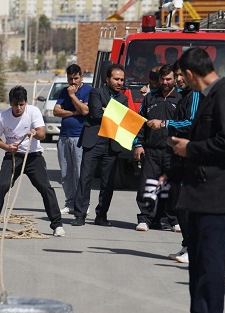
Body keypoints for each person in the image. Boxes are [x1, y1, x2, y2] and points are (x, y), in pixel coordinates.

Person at [163, 47, 225, 313]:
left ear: (192, 74)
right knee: (197, 263)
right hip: (199, 193)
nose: (182, 81)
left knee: (209, 265)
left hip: (215, 196)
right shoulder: (211, 98)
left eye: (183, 76)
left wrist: (190, 149)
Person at [0, 86, 65, 237]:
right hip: (13, 156)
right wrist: (7, 147)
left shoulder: (33, 111)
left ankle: (57, 224)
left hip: (33, 156)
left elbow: (42, 132)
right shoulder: (2, 117)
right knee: (2, 185)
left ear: (26, 102)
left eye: (21, 104)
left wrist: (35, 132)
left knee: (45, 187)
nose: (19, 108)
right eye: (16, 104)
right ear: (10, 103)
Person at [147, 61, 201, 263]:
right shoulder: (184, 95)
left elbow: (191, 122)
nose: (178, 79)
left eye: (181, 75)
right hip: (177, 154)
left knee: (185, 205)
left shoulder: (194, 94)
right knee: (178, 204)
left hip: (191, 157)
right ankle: (187, 245)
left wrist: (164, 123)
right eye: (176, 75)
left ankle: (193, 247)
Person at [72, 64, 129, 227]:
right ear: (107, 79)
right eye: (116, 79)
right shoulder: (96, 92)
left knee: (108, 183)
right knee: (85, 179)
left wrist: (107, 111)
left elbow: (122, 120)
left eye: (122, 80)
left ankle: (101, 216)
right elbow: (96, 113)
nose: (119, 82)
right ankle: (80, 215)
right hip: (94, 141)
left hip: (111, 144)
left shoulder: (123, 99)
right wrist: (112, 114)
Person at [134, 64, 181, 232]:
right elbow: (140, 123)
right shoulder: (150, 98)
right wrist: (138, 144)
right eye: (162, 79)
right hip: (151, 150)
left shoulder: (181, 98)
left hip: (173, 151)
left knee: (173, 187)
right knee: (148, 185)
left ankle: (173, 219)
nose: (165, 82)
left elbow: (186, 124)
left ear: (174, 79)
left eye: (168, 79)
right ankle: (145, 218)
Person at [53, 64, 92, 215]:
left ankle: (82, 204)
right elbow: (56, 111)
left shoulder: (88, 91)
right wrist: (74, 112)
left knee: (80, 172)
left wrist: (72, 97)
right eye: (70, 79)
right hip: (64, 137)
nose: (73, 82)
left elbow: (85, 110)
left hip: (79, 137)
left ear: (81, 77)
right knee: (66, 172)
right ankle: (70, 203)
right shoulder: (64, 90)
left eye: (76, 78)